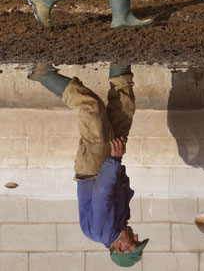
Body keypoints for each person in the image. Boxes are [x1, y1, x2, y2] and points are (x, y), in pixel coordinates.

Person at [28, 63, 148, 267]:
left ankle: (43, 75)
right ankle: (120, 60)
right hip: (107, 167)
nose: (135, 235)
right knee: (123, 109)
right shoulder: (117, 225)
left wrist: (114, 160)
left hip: (96, 167)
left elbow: (102, 193)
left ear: (120, 248)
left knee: (90, 108)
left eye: (134, 242)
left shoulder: (103, 231)